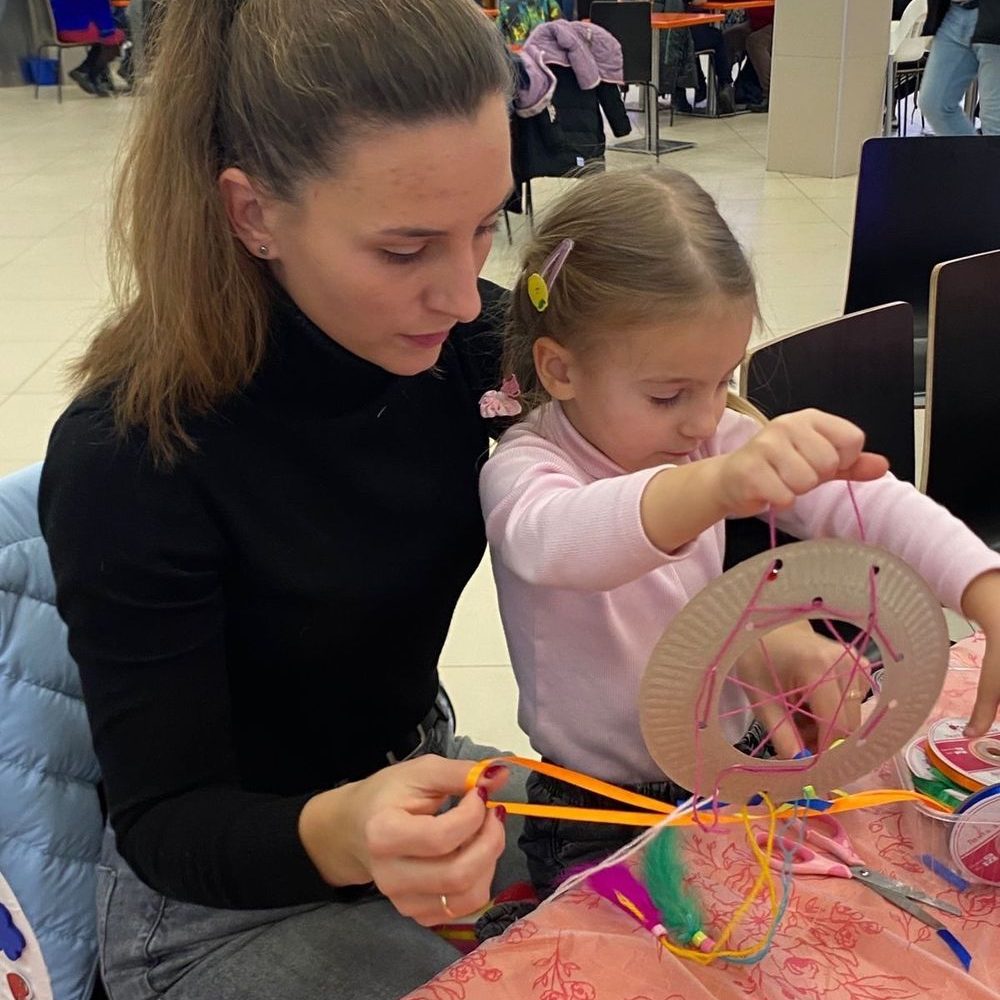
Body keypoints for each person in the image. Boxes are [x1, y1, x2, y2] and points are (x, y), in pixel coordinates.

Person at [38, 1, 526, 998]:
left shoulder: (468, 345)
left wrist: (741, 620)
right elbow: (170, 822)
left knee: (701, 872)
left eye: (485, 226)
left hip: (415, 780)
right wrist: (351, 831)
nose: (462, 293)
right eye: (404, 250)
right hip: (213, 906)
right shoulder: (132, 455)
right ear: (253, 214)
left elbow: (648, 451)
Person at [478, 167, 1000, 900]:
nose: (703, 419)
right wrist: (719, 483)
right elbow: (559, 543)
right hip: (599, 807)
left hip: (735, 759)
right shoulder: (526, 468)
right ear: (560, 369)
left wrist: (982, 585)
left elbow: (869, 501)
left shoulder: (706, 438)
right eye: (669, 395)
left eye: (721, 380)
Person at [921, 0, 1000, 136]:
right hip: (955, 14)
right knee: (934, 104)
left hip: (994, 18)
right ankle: (974, 151)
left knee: (994, 123)